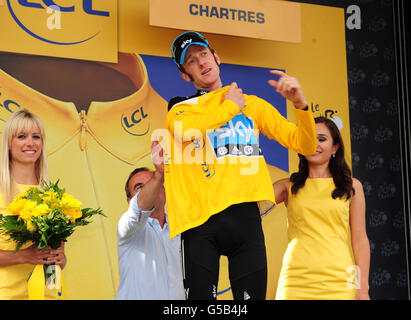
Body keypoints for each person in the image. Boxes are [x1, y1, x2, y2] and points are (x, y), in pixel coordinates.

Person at [164, 31, 318, 300]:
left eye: (203, 53)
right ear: (185, 75)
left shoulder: (253, 106)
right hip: (200, 225)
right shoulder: (182, 109)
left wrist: (299, 104)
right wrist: (230, 107)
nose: (201, 62)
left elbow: (304, 145)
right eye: (190, 61)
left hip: (246, 222)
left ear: (216, 57)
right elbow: (185, 132)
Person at [273, 117, 370, 300]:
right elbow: (249, 202)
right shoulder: (287, 186)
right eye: (308, 137)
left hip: (340, 281)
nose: (314, 143)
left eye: (322, 139)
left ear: (335, 147)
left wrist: (362, 288)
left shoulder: (352, 186)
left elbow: (360, 240)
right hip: (295, 282)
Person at [0, 109, 66, 300]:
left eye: (36, 137)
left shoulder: (52, 196)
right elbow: (31, 255)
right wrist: (25, 255)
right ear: (8, 143)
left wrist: (60, 259)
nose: (30, 143)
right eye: (21, 136)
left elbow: (59, 254)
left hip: (47, 295)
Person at [116, 141, 185, 300]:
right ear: (129, 201)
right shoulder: (127, 227)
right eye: (140, 187)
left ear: (165, 193)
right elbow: (139, 207)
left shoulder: (183, 230)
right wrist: (159, 175)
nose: (150, 189)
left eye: (154, 184)